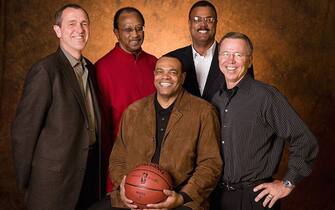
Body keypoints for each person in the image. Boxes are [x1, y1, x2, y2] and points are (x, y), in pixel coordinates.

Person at [210, 32, 319, 210]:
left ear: (250, 60)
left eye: (238, 55)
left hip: (256, 199)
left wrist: (288, 182)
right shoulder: (216, 99)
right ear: (218, 58)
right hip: (219, 198)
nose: (230, 61)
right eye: (225, 54)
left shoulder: (266, 96)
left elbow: (304, 140)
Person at [11, 4, 102, 210]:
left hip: (88, 173)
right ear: (58, 30)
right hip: (53, 182)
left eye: (84, 23)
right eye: (72, 24)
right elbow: (23, 133)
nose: (79, 29)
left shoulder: (92, 69)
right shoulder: (45, 70)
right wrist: (27, 183)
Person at [108, 56, 222, 210]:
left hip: (181, 200)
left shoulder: (204, 111)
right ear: (154, 76)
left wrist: (182, 197)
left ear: (182, 78)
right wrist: (126, 187)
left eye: (172, 72)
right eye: (160, 71)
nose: (165, 77)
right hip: (132, 200)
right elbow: (117, 159)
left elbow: (211, 164)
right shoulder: (134, 111)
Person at [95, 7, 157, 197]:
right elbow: (101, 128)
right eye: (128, 29)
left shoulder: (156, 64)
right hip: (120, 162)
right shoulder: (101, 69)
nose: (135, 34)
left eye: (139, 28)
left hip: (156, 161)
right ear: (116, 33)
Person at [167, 0, 254, 102]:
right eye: (197, 19)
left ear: (216, 23)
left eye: (209, 20)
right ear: (189, 23)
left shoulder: (238, 60)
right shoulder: (172, 59)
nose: (203, 25)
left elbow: (247, 97)